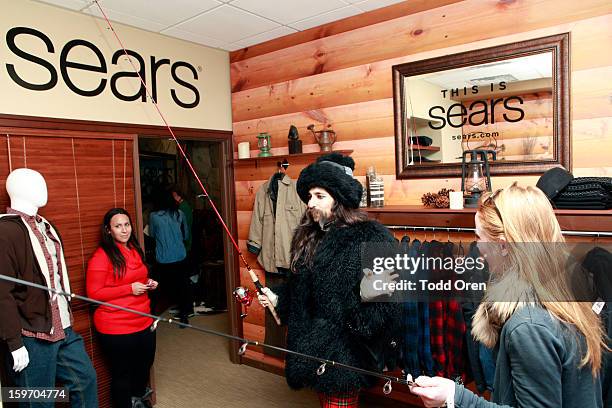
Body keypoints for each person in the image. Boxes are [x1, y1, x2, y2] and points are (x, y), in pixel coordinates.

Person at [410, 182, 607, 408]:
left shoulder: (529, 326)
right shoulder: (565, 298)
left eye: (479, 236)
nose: (479, 246)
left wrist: (454, 396)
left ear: (502, 245)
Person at [257, 153, 401, 408]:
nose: (310, 203)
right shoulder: (308, 236)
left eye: (319, 196)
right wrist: (277, 297)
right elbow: (301, 288)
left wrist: (366, 296)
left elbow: (385, 310)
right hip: (313, 348)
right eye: (309, 196)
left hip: (346, 356)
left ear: (341, 200)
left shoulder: (375, 239)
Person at [0, 168, 98, 407]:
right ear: (18, 190)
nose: (43, 188)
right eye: (36, 184)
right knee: (38, 400)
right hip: (32, 334)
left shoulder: (46, 226)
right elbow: (2, 293)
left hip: (62, 326)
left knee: (85, 381)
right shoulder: (6, 231)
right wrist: (14, 342)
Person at [86, 208, 157, 408]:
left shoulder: (134, 249)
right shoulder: (101, 257)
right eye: (118, 226)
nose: (124, 230)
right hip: (116, 326)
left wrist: (148, 282)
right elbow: (93, 294)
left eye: (127, 225)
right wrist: (129, 289)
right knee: (122, 374)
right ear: (108, 230)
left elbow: (137, 278)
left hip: (143, 319)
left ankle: (137, 401)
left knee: (144, 366)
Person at [148, 189, 193, 324]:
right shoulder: (180, 214)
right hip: (180, 256)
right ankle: (184, 316)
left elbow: (151, 235)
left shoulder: (153, 216)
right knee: (182, 285)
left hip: (163, 258)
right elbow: (186, 235)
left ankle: (152, 315)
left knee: (156, 286)